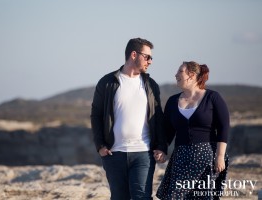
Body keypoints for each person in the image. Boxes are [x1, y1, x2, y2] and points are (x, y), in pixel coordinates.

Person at [90, 37, 168, 200]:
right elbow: (96, 115)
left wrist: (161, 146)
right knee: (119, 197)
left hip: (143, 153)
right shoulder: (107, 82)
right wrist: (100, 145)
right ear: (134, 54)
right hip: (114, 153)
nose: (150, 61)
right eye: (147, 57)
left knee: (142, 197)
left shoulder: (151, 85)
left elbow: (158, 117)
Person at [156, 61, 230, 200]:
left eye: (180, 71)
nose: (176, 74)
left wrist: (220, 156)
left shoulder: (213, 97)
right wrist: (162, 149)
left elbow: (223, 127)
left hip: (206, 157)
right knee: (174, 196)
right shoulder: (172, 101)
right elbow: (167, 130)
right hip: (181, 157)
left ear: (191, 75)